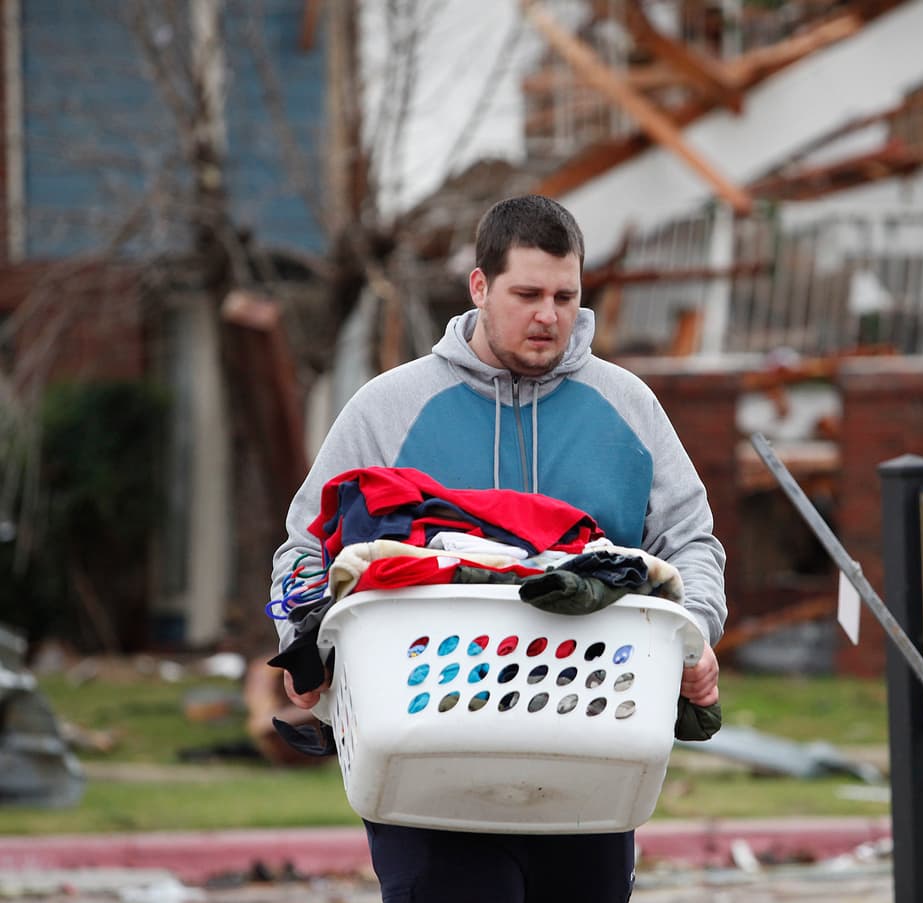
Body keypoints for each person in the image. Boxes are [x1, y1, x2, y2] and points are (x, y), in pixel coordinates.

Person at [269, 194, 726, 903]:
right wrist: (303, 640)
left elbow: (691, 539)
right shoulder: (390, 407)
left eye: (565, 297)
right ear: (479, 286)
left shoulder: (628, 405)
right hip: (428, 748)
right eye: (527, 295)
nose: (549, 315)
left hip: (589, 744)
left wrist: (693, 634)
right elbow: (304, 546)